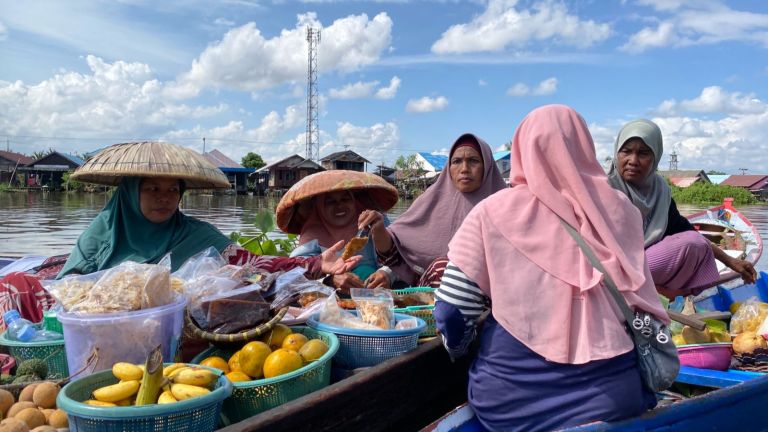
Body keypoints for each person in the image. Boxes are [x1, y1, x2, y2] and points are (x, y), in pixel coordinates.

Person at [434, 105, 666, 431]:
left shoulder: (493, 211)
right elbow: (642, 303)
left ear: (522, 149)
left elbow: (450, 312)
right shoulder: (623, 211)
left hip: (510, 405)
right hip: (613, 399)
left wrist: (459, 348)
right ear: (584, 147)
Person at [0, 176, 360, 330]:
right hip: (98, 319)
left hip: (158, 322)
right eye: (152, 189)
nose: (164, 197)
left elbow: (250, 262)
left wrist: (313, 263)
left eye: (172, 190)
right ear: (131, 194)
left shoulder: (194, 233)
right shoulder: (105, 230)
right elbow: (68, 286)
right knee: (15, 286)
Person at [608, 119, 757, 298]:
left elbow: (686, 231)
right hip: (606, 269)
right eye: (626, 151)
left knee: (695, 244)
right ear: (617, 152)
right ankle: (661, 294)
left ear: (656, 157)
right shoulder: (603, 185)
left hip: (641, 266)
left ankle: (654, 293)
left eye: (643, 153)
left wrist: (732, 261)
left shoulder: (660, 191)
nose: (633, 161)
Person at [358, 133, 506, 288]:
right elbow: (395, 255)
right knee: (441, 268)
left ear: (487, 166)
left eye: (473, 161)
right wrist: (379, 229)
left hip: (489, 295)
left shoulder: (506, 206)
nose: (464, 169)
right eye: (456, 161)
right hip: (429, 299)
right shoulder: (429, 202)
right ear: (448, 167)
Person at [275, 170, 399, 290]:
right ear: (319, 207)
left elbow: (401, 261)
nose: (339, 205)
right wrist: (331, 280)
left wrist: (386, 274)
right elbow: (295, 275)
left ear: (354, 201)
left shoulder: (374, 220)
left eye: (345, 199)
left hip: (380, 295)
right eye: (330, 202)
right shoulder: (312, 235)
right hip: (332, 300)